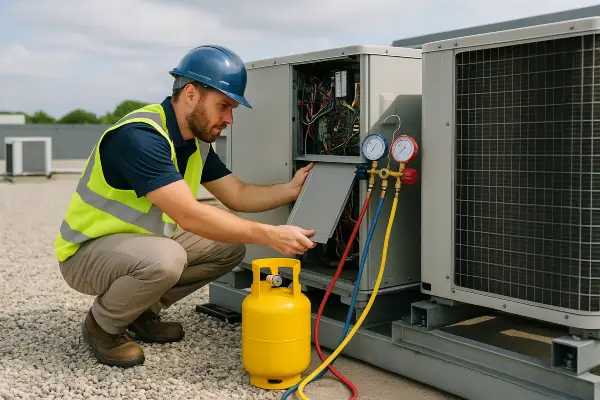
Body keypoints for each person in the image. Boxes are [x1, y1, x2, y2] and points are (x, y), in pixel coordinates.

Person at [53, 45, 316, 368]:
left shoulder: (194, 145)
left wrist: (289, 191)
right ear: (191, 93)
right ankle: (103, 326)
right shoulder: (140, 137)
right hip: (85, 253)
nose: (229, 119)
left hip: (137, 246)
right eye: (223, 106)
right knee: (168, 259)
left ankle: (140, 311)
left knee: (228, 246)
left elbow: (237, 194)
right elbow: (188, 215)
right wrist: (271, 235)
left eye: (232, 109)